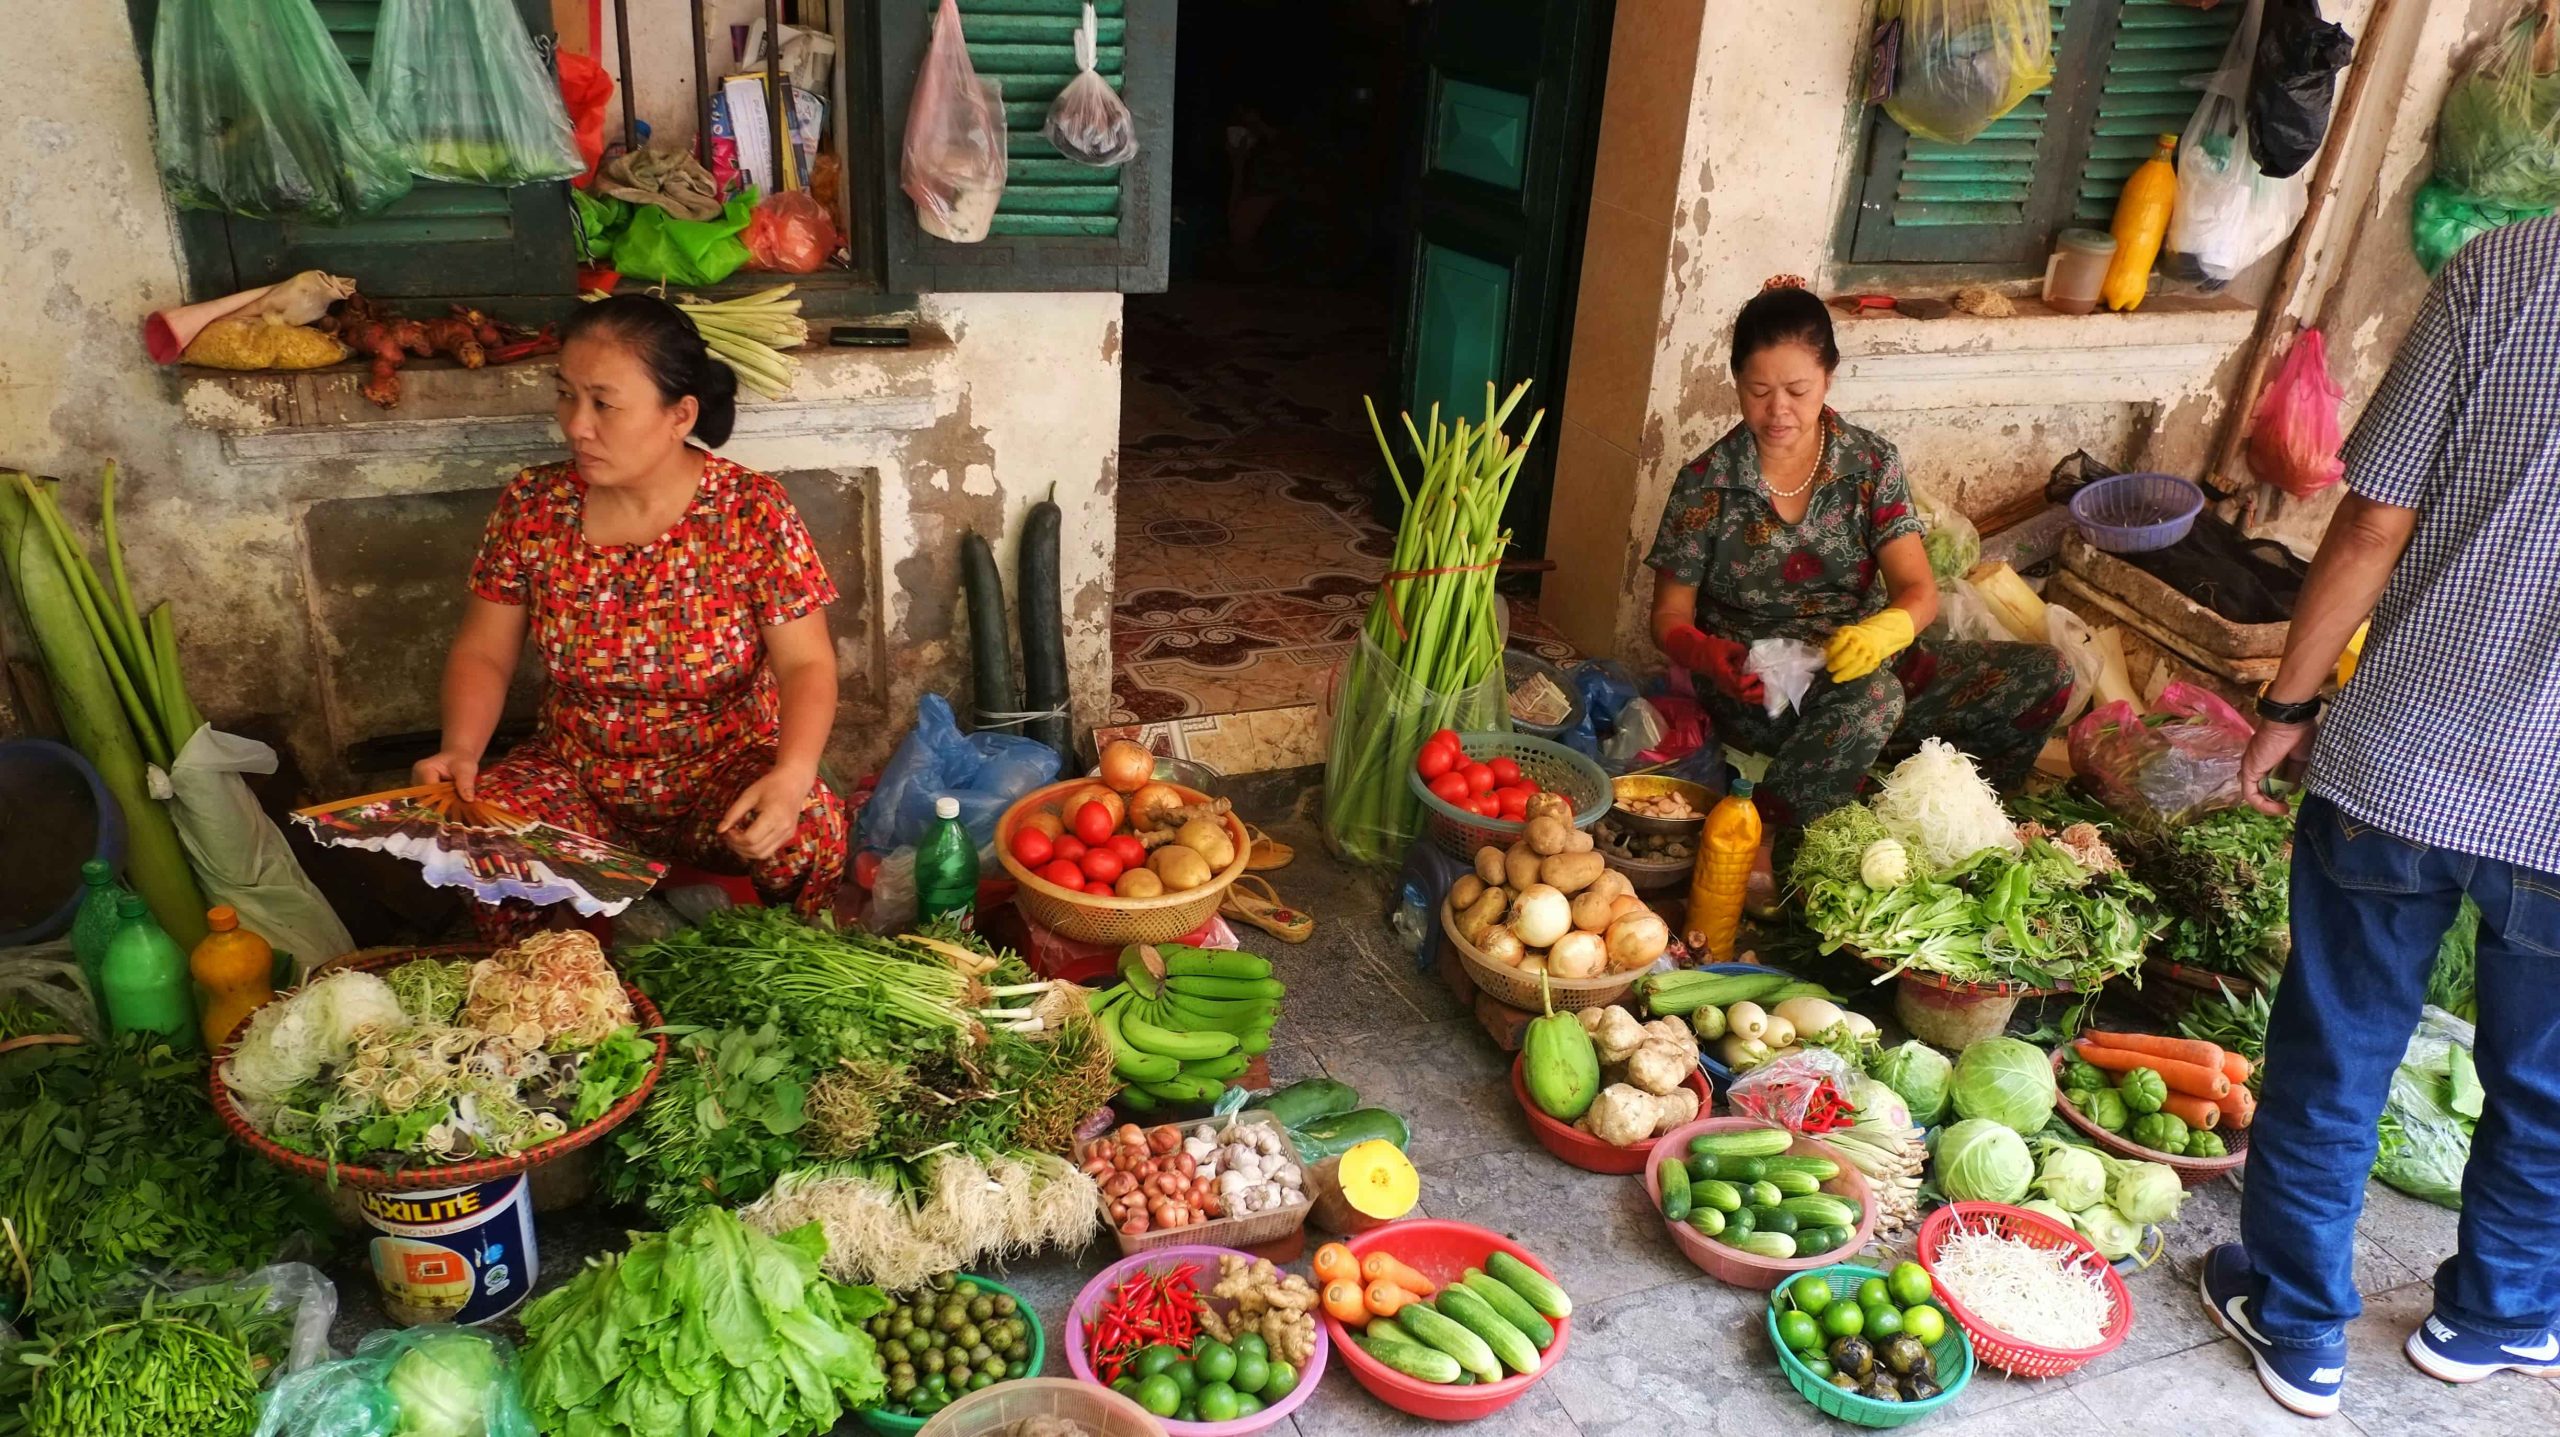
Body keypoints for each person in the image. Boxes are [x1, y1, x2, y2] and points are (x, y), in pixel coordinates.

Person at [2201, 219, 2560, 1417]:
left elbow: (2369, 520)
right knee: (2548, 1081)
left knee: (2336, 1051)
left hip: (2402, 762)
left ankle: (2297, 1326)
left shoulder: (2504, 273)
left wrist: (2286, 700)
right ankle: (2498, 1314)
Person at [415, 294, 848, 939]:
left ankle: (802, 963)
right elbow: (484, 651)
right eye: (566, 395)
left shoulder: (749, 510)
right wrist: (461, 749)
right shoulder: (534, 505)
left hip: (720, 780)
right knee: (480, 845)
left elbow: (807, 662)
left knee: (810, 825)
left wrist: (790, 774)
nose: (576, 425)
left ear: (680, 415)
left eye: (603, 403)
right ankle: (545, 1007)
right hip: (575, 779)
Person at [1644, 278, 2072, 862]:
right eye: (1758, 390)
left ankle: (1965, 822)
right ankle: (1766, 845)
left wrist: (1884, 631)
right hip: (1759, 687)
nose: (1778, 411)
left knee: (2044, 673)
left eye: (1798, 389)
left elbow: (1918, 591)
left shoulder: (1869, 463)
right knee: (1872, 702)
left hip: (1869, 664)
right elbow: (1668, 616)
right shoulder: (1706, 483)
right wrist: (1704, 655)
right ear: (1736, 381)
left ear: (1829, 378)